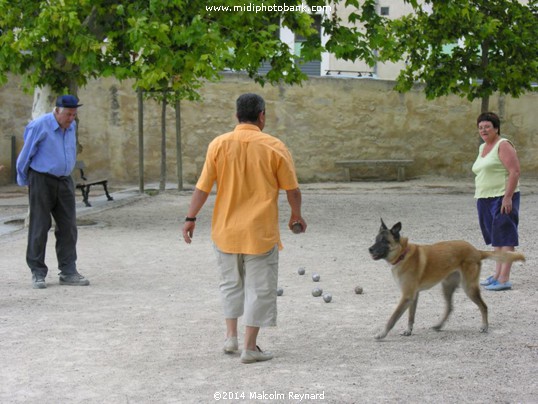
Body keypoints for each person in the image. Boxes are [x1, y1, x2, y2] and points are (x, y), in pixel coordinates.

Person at [182, 93, 306, 364]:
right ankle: (250, 347)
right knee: (259, 288)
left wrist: (190, 217)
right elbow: (292, 190)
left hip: (225, 230)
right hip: (259, 232)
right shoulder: (275, 146)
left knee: (230, 284)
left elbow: (202, 187)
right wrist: (296, 215)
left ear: (236, 115)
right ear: (261, 115)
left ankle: (230, 338)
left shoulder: (218, 144)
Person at [16, 95, 90, 289]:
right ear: (56, 111)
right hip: (41, 179)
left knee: (68, 226)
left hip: (64, 180)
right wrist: (25, 180)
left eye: (74, 115)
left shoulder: (71, 126)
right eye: (68, 114)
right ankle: (37, 272)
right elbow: (25, 156)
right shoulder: (39, 126)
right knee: (39, 225)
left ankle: (68, 271)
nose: (71, 118)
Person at [472, 112, 520, 291]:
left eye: (487, 126)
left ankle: (504, 278)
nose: (483, 130)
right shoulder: (483, 147)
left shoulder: (503, 144)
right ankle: (497, 274)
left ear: (496, 128)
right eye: (480, 127)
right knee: (496, 238)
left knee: (506, 236)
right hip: (485, 197)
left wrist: (507, 197)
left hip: (502, 196)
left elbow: (514, 171)